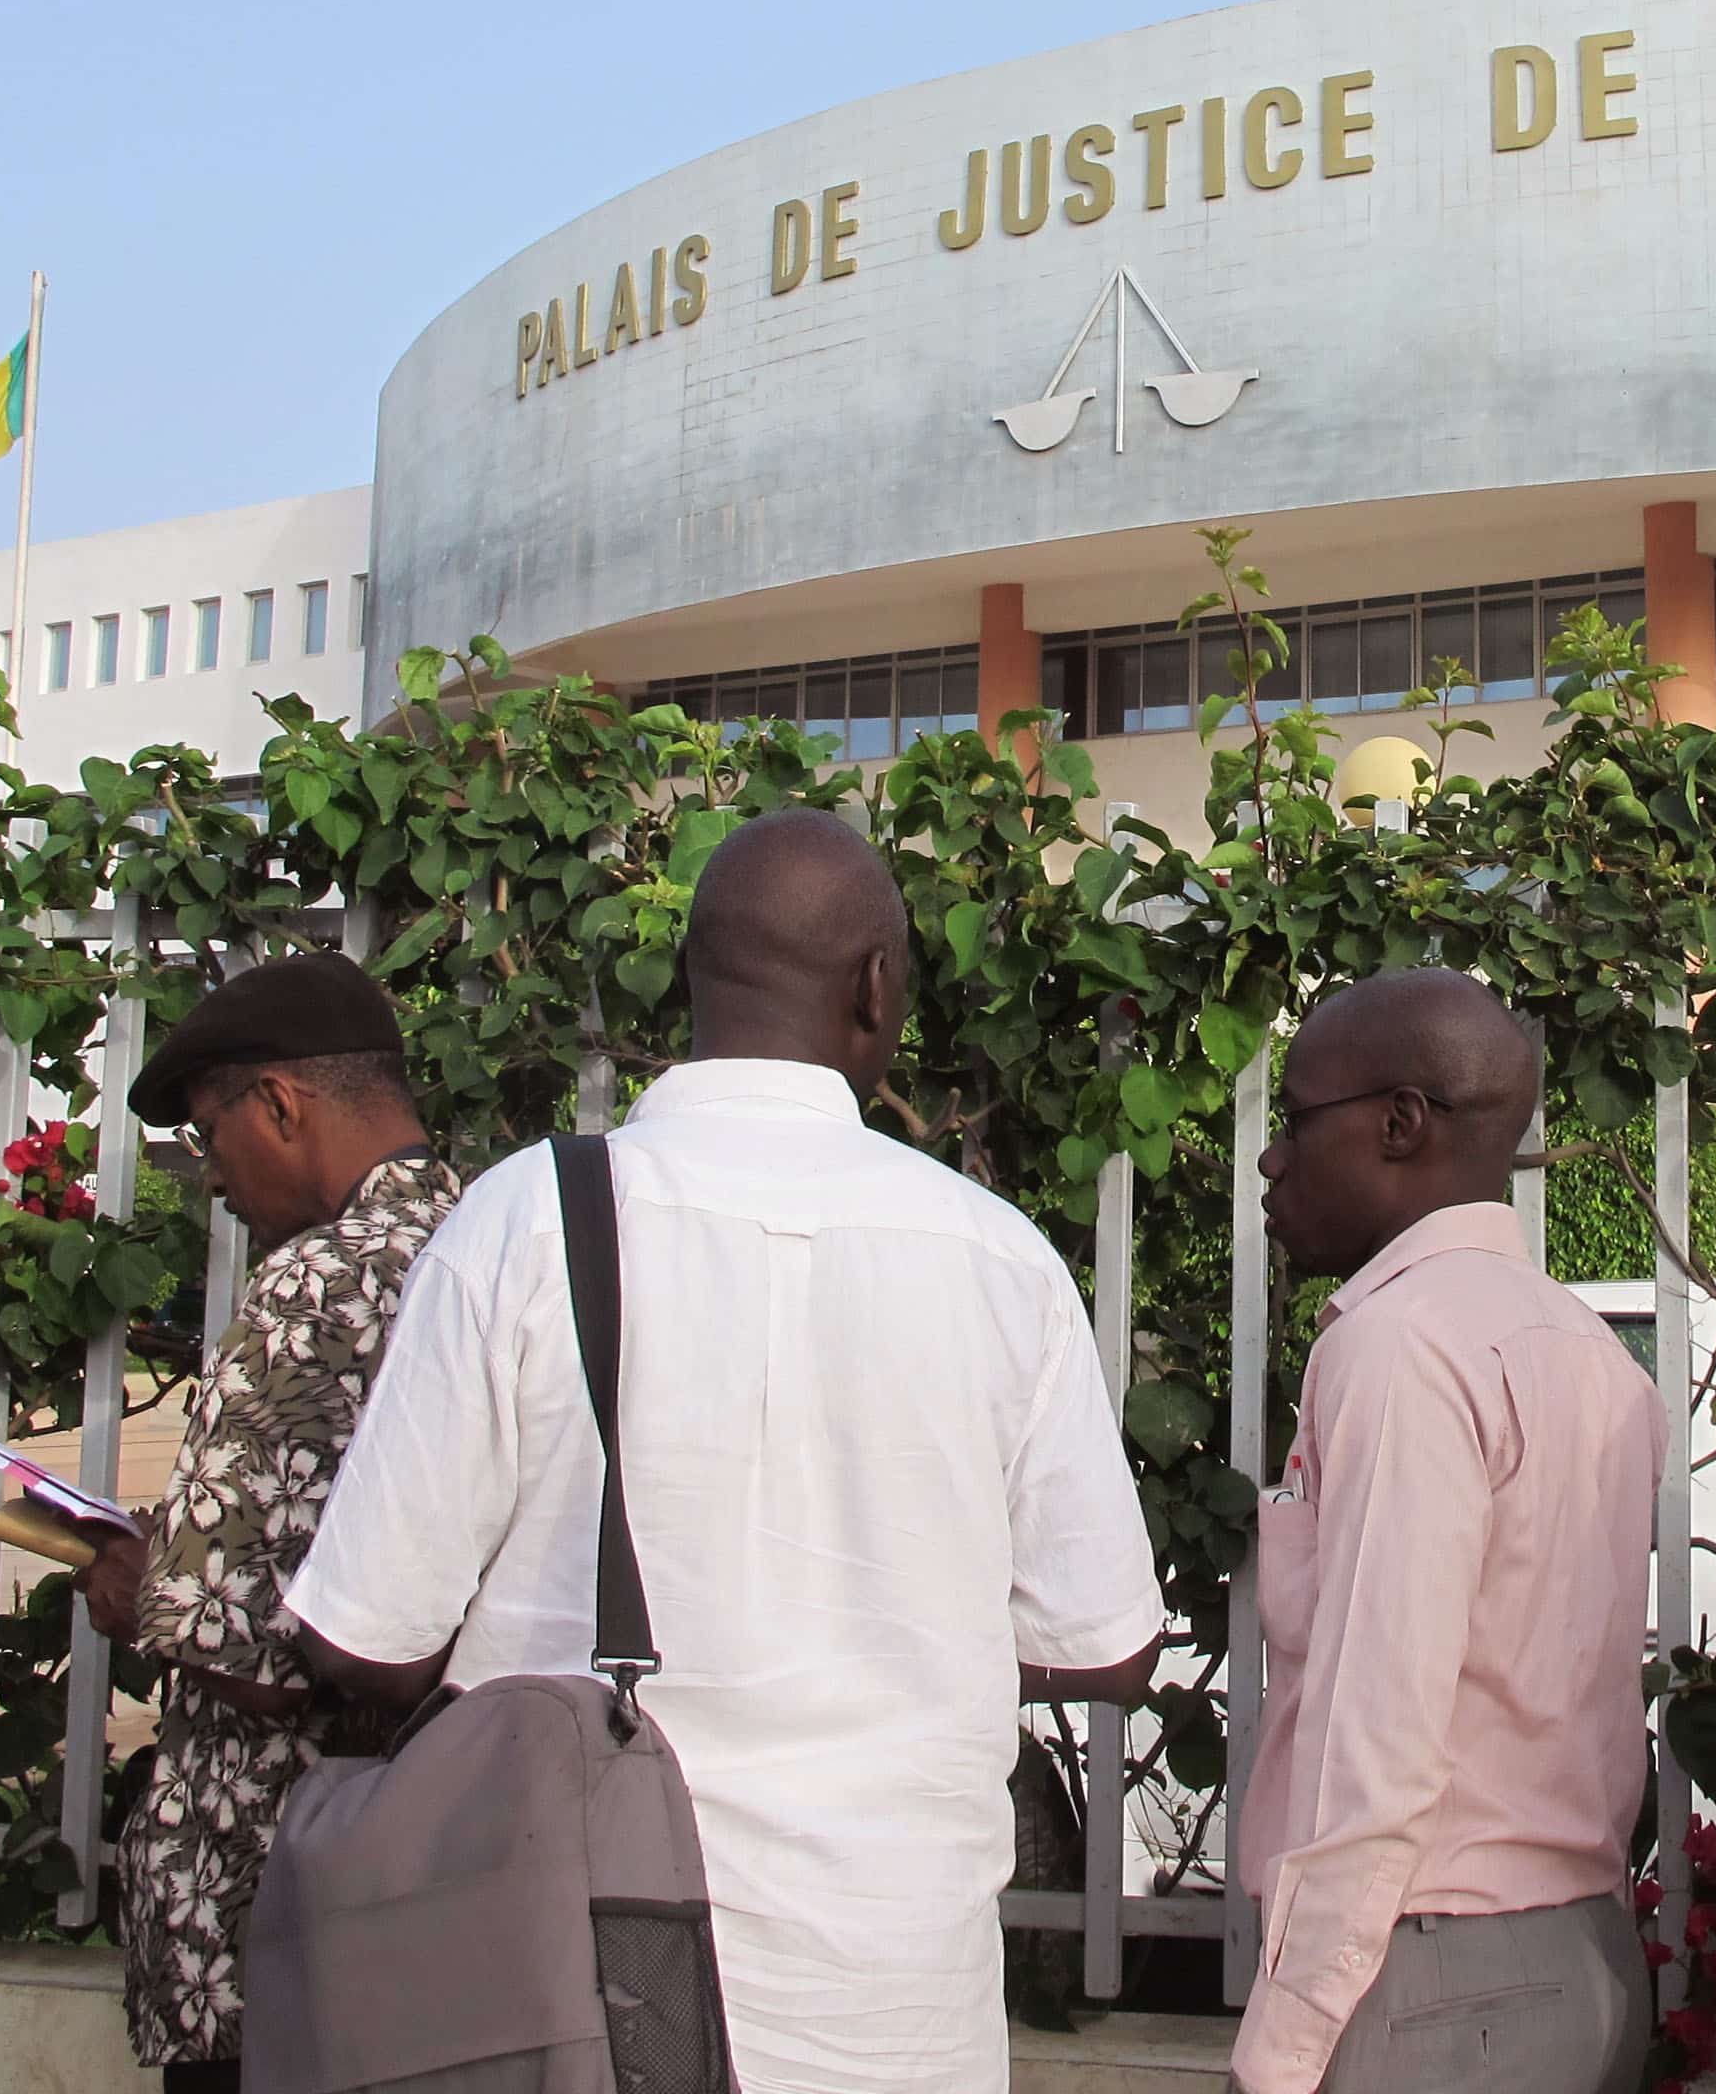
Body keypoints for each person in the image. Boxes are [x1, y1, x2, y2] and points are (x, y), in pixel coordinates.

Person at [284, 809, 1163, 2092]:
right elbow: (1111, 1644)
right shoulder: (998, 1258)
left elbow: (364, 1637)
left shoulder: (530, 1217)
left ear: (688, 976)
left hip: (579, 1996)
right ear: (876, 988)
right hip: (901, 2014)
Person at [1233, 969, 1667, 2094]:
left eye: (1293, 1118)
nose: (1270, 1158)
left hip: (1433, 1985)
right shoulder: (1591, 1352)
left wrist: (1281, 2052)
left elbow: (1376, 1736)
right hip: (1583, 1962)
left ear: (1399, 1122)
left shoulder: (1399, 1347)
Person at [74, 954, 459, 2094]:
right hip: (430, 1897)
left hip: (266, 1915)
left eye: (207, 1134)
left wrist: (134, 1581)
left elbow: (246, 1651)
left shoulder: (315, 1283)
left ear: (281, 1103)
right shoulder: (497, 1248)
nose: (209, 1176)